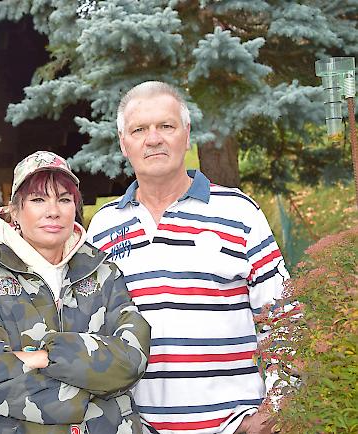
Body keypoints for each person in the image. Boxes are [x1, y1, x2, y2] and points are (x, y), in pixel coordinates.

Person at [87, 82, 289, 434]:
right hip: (137, 427)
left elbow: (286, 316)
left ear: (187, 134)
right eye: (139, 129)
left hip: (234, 426)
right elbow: (90, 331)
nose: (153, 139)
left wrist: (276, 406)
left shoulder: (239, 213)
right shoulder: (103, 228)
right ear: (124, 143)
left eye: (166, 126)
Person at [0, 150, 152, 434]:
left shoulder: (105, 274)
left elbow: (132, 360)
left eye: (64, 199)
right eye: (38, 199)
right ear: (15, 211)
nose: (53, 211)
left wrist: (46, 357)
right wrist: (95, 392)